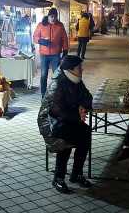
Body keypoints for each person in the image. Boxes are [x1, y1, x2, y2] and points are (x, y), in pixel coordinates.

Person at [37, 55, 92, 193]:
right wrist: (78, 115)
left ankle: (76, 174)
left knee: (85, 134)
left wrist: (82, 107)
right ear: (70, 69)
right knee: (66, 140)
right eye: (79, 67)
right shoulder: (58, 83)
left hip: (68, 119)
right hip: (51, 122)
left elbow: (88, 97)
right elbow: (56, 110)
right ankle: (58, 178)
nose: (82, 69)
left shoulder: (76, 80)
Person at [33, 7, 69, 98]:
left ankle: (56, 93)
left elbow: (64, 39)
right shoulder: (41, 25)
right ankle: (43, 94)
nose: (53, 18)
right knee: (43, 75)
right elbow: (35, 37)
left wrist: (65, 51)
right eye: (51, 16)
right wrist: (41, 41)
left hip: (55, 54)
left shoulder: (60, 26)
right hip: (44, 54)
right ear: (48, 16)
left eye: (55, 17)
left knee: (57, 75)